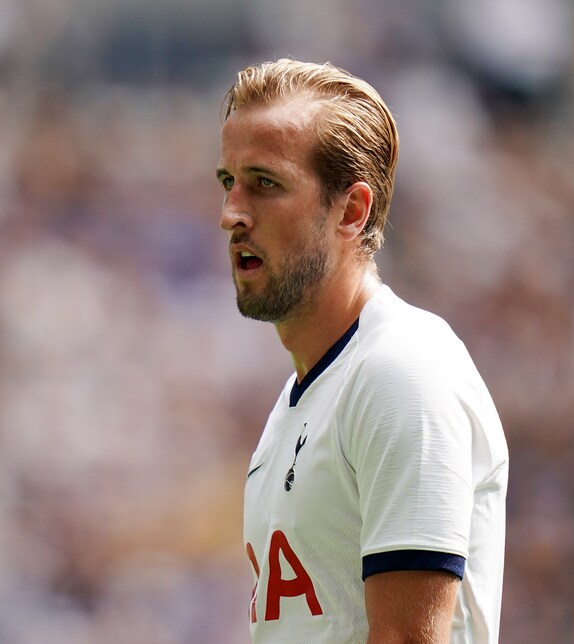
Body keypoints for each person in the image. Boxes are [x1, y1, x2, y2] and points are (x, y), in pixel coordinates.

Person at [215, 59, 508, 643]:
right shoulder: (304, 398)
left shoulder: (400, 370)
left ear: (351, 210)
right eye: (228, 182)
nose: (231, 215)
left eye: (265, 184)